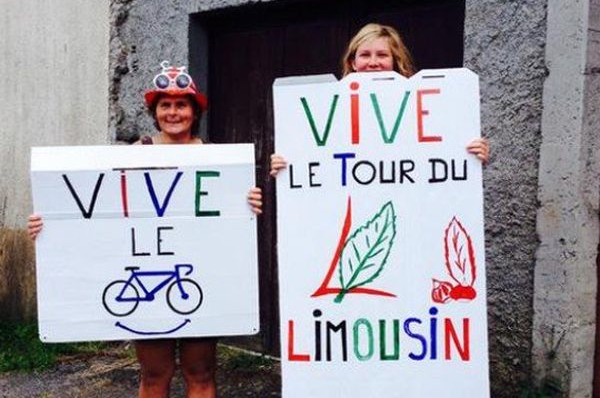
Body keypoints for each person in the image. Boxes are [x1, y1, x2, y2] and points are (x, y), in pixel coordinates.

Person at [28, 61, 263, 398]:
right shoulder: (136, 155)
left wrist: (249, 202)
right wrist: (49, 223)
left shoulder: (218, 158)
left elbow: (232, 216)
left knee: (201, 372)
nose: (173, 112)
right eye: (164, 105)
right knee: (155, 373)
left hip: (202, 275)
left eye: (181, 104)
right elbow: (94, 207)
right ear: (155, 112)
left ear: (194, 112)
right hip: (147, 267)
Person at [270, 23, 489, 175]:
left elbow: (437, 158)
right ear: (353, 63)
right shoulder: (329, 111)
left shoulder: (421, 107)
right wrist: (288, 165)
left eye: (382, 55)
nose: (373, 62)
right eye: (365, 55)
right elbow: (320, 161)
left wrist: (469, 154)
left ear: (395, 61)